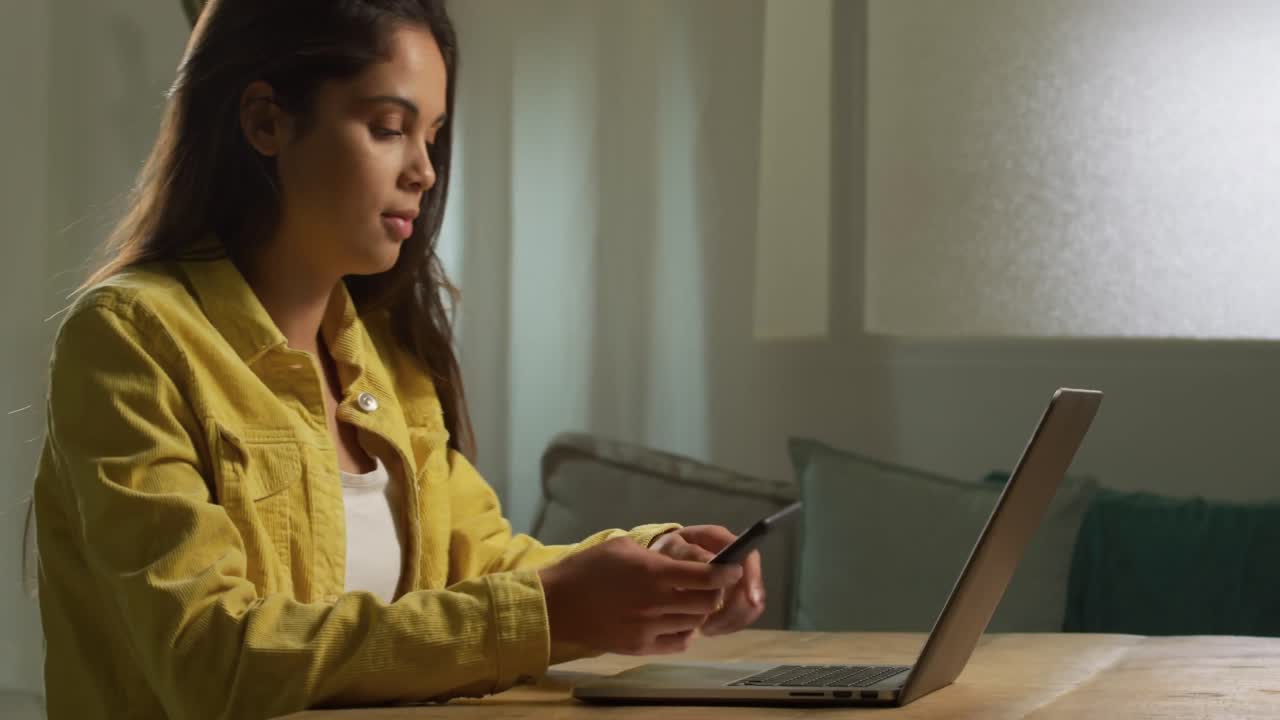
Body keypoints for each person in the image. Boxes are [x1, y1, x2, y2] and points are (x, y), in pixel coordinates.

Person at [30, 1, 765, 718]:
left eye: (433, 136)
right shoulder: (129, 339)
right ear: (266, 121)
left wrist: (655, 563)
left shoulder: (381, 363)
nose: (425, 171)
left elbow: (481, 562)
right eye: (389, 128)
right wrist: (548, 609)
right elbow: (210, 657)